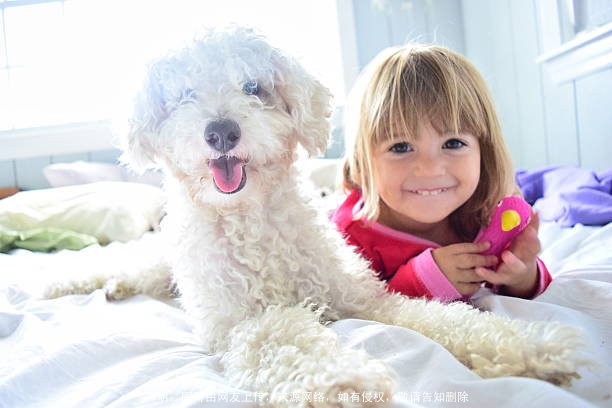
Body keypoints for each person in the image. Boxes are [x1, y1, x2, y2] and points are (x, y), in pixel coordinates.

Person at [332, 44, 552, 302]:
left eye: (453, 143)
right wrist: (424, 279)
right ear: (362, 162)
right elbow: (355, 309)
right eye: (401, 147)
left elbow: (534, 289)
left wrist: (522, 276)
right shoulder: (350, 238)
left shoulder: (490, 214)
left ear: (485, 151)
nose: (430, 168)